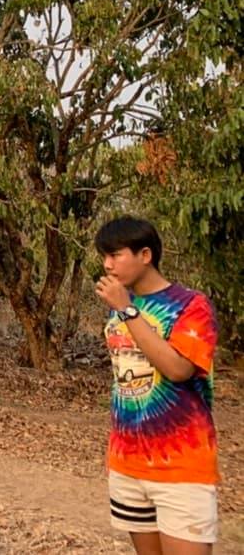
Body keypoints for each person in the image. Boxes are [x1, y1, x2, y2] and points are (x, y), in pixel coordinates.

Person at [94, 216, 219, 553]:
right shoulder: (118, 309)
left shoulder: (191, 305)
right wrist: (124, 309)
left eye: (115, 255)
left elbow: (179, 369)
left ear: (145, 255)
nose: (107, 265)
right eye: (104, 257)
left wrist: (127, 310)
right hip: (128, 462)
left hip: (181, 466)